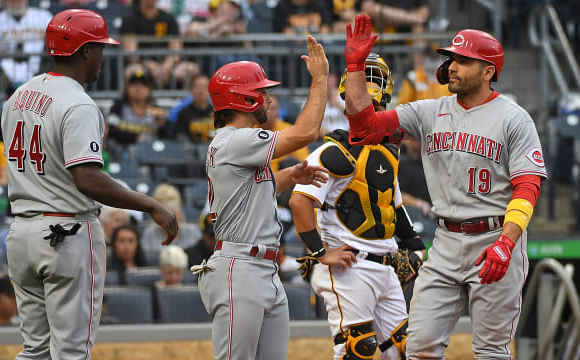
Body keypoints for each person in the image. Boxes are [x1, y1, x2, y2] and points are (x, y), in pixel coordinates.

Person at [343, 14, 547, 359]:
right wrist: (356, 67)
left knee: (491, 350)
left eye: (463, 60)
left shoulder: (514, 118)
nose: (451, 66)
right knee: (420, 346)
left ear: (488, 71)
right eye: (450, 59)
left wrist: (506, 243)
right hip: (445, 242)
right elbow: (364, 128)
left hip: (494, 238)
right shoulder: (429, 110)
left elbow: (527, 185)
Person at [1, 9, 178, 359]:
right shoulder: (78, 103)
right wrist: (152, 205)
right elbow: (87, 178)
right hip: (66, 232)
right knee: (71, 351)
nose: (102, 56)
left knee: (35, 350)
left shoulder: (20, 95)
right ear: (84, 51)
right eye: (99, 47)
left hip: (21, 231)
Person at [195, 36, 342, 360]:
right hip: (240, 268)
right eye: (261, 92)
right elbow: (306, 132)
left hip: (262, 268)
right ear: (243, 99)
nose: (269, 99)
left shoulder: (235, 143)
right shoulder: (237, 139)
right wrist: (319, 79)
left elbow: (249, 193)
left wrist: (290, 176)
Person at [290, 52, 425, 359]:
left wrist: (415, 246)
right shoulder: (335, 150)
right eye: (366, 104)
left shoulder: (389, 149)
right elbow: (299, 201)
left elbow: (393, 204)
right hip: (350, 266)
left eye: (375, 106)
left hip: (386, 264)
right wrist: (320, 253)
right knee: (357, 350)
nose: (371, 110)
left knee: (408, 350)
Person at [120, 0, 200, 88]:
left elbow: (176, 50)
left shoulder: (168, 19)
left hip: (167, 68)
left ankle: (184, 100)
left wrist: (166, 67)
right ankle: (130, 101)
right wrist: (149, 65)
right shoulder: (130, 19)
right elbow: (131, 52)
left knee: (192, 69)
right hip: (142, 66)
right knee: (133, 72)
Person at [0, 0, 53, 84]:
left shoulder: (43, 16)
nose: (16, 3)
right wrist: (7, 56)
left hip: (41, 65)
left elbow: (56, 38)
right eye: (12, 1)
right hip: (9, 67)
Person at [106, 67, 173, 145]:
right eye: (134, 85)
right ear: (127, 89)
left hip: (152, 153)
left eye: (142, 85)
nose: (138, 88)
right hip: (123, 151)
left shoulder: (156, 110)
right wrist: (134, 138)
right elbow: (111, 130)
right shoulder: (118, 107)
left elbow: (170, 136)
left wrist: (162, 126)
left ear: (149, 90)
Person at [176, 74, 214, 143]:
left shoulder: (218, 113)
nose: (201, 91)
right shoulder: (183, 113)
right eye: (198, 87)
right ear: (192, 89)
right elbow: (181, 137)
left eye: (205, 87)